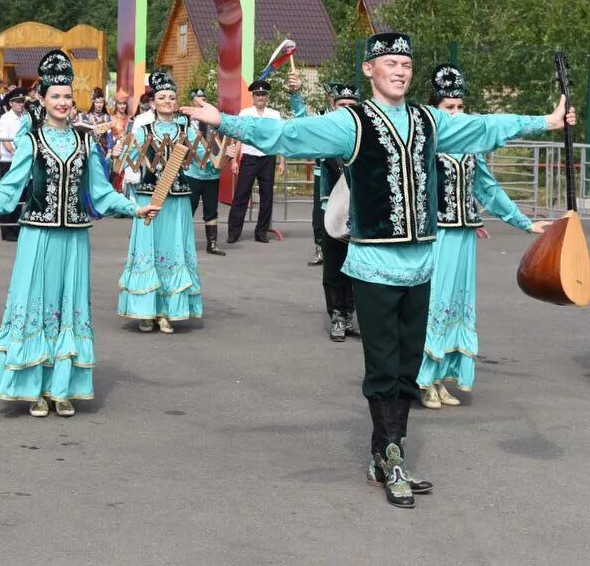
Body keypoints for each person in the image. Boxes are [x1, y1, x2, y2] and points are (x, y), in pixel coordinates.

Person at [183, 32, 575, 508]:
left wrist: (545, 120)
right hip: (372, 265)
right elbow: (289, 135)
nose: (400, 70)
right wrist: (225, 121)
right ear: (370, 70)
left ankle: (386, 454)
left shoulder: (429, 121)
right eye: (389, 62)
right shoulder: (352, 123)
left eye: (406, 63)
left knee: (408, 368)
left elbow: (482, 127)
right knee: (383, 367)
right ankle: (391, 456)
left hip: (421, 262)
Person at [0, 51, 157, 417]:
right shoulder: (31, 142)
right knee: (38, 304)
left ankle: (62, 386)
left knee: (69, 307)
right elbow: (11, 186)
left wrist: (135, 208)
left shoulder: (85, 143)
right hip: (38, 236)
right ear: (43, 99)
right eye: (56, 96)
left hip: (75, 239)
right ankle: (33, 385)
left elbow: (101, 192)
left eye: (68, 96)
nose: (63, 102)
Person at [416, 65, 548, 410]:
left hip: (464, 235)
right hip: (436, 235)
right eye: (449, 108)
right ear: (435, 109)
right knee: (435, 304)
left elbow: (487, 189)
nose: (457, 113)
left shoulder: (472, 146)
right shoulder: (427, 142)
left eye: (460, 107)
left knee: (459, 303)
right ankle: (424, 378)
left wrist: (524, 222)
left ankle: (444, 377)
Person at [113, 73, 205, 332]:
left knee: (174, 250)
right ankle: (146, 310)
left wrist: (226, 156)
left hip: (177, 200)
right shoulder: (142, 131)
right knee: (148, 250)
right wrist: (116, 152)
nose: (167, 101)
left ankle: (167, 309)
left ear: (177, 102)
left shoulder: (186, 130)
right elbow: (124, 160)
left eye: (172, 98)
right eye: (162, 97)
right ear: (153, 102)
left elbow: (205, 159)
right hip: (150, 198)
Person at [288, 74, 361, 341]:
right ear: (333, 106)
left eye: (353, 105)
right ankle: (337, 317)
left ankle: (350, 314)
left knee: (357, 265)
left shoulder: (366, 133)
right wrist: (296, 95)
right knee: (333, 265)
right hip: (330, 205)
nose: (348, 110)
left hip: (361, 209)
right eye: (343, 105)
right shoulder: (326, 131)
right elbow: (301, 125)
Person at [225, 79, 285, 244]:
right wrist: (234, 160)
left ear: (267, 97)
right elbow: (238, 137)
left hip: (268, 158)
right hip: (249, 158)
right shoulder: (244, 114)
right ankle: (233, 233)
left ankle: (261, 232)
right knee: (241, 196)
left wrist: (282, 161)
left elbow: (280, 138)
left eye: (263, 94)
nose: (260, 97)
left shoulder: (274, 114)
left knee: (267, 197)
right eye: (258, 94)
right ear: (253, 96)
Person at [184, 88, 226, 257]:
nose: (201, 101)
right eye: (198, 98)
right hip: (193, 172)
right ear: (192, 101)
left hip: (212, 173)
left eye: (204, 98)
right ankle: (183, 242)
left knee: (211, 208)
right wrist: (209, 160)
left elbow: (224, 140)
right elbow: (189, 143)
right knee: (189, 207)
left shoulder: (215, 119)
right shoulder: (185, 121)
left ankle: (212, 243)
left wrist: (225, 156)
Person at [0, 89, 28, 242]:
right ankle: (6, 230)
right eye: (18, 101)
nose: (21, 104)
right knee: (8, 195)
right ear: (11, 103)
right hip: (9, 160)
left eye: (22, 102)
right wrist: (16, 154)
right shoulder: (5, 118)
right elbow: (5, 140)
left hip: (22, 161)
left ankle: (16, 227)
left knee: (20, 195)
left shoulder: (25, 117)